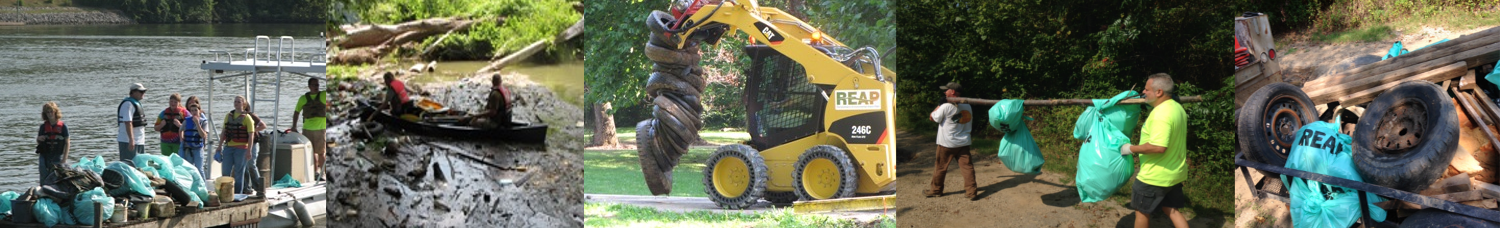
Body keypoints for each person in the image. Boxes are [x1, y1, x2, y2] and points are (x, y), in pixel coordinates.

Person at [1119, 73, 1190, 228]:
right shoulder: (1177, 108)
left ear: (1159, 92)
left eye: (1146, 89)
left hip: (1154, 177)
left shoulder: (1160, 114)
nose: (1143, 92)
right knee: (1172, 210)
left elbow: (1158, 147)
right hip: (1174, 174)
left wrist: (1130, 149)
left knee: (1141, 212)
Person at [925, 82, 977, 200]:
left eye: (946, 90)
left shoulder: (945, 106)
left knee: (940, 167)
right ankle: (972, 192)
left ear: (952, 92)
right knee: (967, 167)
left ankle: (936, 190)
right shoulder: (967, 106)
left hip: (947, 144)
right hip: (963, 143)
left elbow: (932, 117)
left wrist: (939, 104)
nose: (945, 92)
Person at [219, 96, 257, 194]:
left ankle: (237, 194)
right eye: (235, 101)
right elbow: (224, 132)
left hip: (241, 149)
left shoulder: (247, 117)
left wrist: (249, 150)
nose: (236, 103)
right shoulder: (228, 116)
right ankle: (225, 193)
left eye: (239, 102)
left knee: (239, 172)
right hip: (228, 147)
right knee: (225, 172)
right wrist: (219, 146)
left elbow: (251, 135)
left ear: (243, 104)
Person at [292, 77, 329, 181]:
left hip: (321, 128)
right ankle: (314, 172)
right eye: (313, 85)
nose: (316, 87)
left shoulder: (323, 95)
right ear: (309, 86)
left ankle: (323, 173)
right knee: (311, 152)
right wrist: (294, 126)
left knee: (321, 152)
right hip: (307, 129)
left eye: (317, 85)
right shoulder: (303, 98)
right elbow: (296, 112)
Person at [36, 101, 69, 185]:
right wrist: (39, 138)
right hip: (44, 155)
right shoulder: (43, 127)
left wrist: (64, 159)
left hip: (57, 155)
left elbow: (67, 143)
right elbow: (38, 141)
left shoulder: (63, 126)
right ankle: (43, 190)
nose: (50, 114)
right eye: (48, 112)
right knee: (43, 174)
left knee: (55, 176)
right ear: (45, 114)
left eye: (51, 111)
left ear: (55, 112)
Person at [118, 83, 148, 162]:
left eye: (144, 91)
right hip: (127, 141)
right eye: (141, 91)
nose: (143, 93)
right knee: (129, 164)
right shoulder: (128, 104)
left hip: (139, 140)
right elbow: (128, 122)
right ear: (133, 92)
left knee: (139, 165)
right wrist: (131, 140)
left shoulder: (136, 103)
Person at [182, 96, 210, 180]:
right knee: (189, 168)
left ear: (199, 111)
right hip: (188, 147)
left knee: (199, 168)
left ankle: (203, 187)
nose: (194, 112)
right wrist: (182, 138)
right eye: (192, 111)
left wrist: (197, 123)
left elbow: (204, 135)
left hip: (198, 148)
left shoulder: (203, 122)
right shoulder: (187, 120)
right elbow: (181, 129)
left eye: (196, 110)